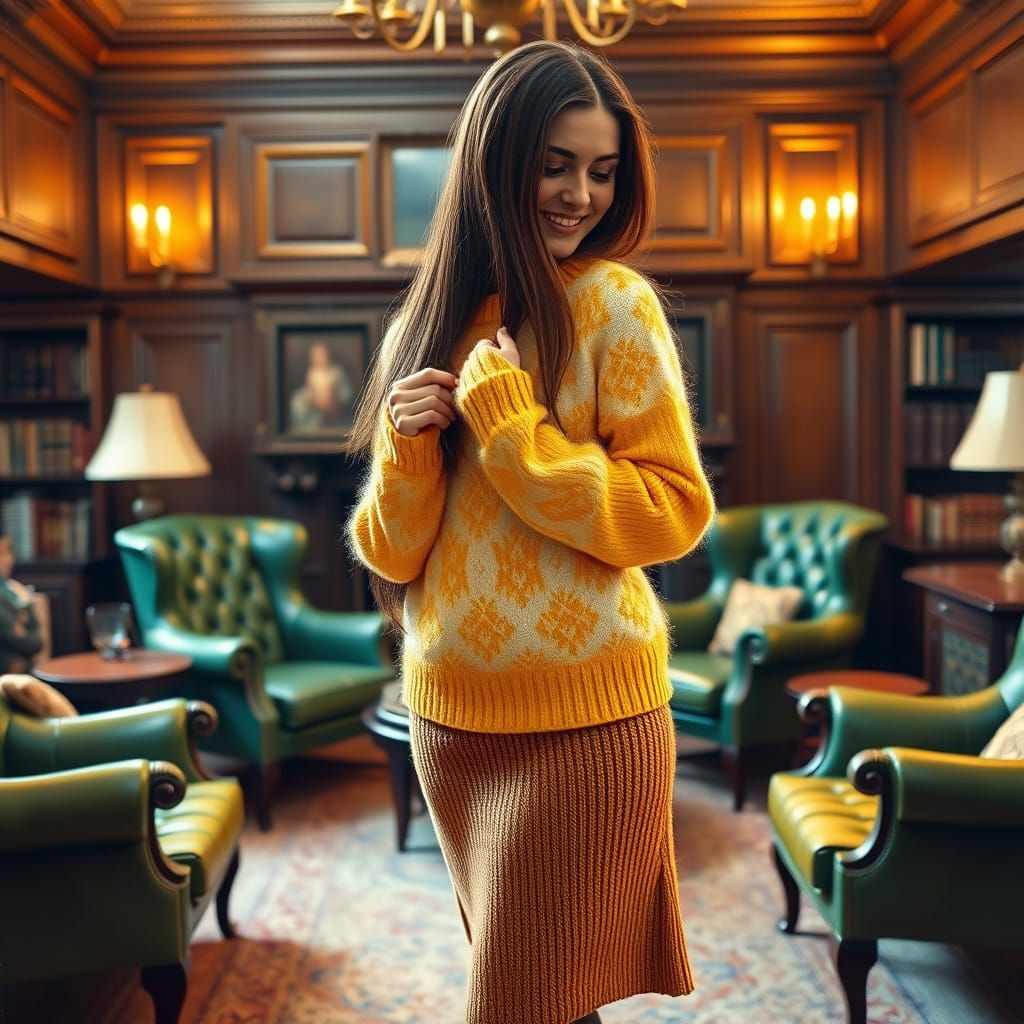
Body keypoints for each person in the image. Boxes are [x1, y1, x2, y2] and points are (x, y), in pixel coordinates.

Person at [347, 40, 714, 1024]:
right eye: (555, 163)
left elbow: (670, 508)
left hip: (587, 722)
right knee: (548, 997)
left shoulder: (613, 304)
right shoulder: (420, 328)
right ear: (495, 158)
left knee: (516, 1000)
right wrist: (406, 446)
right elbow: (390, 554)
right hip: (452, 724)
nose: (578, 194)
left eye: (599, 170)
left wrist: (512, 429)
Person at [0, 533, 43, 675]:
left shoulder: (14, 590)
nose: (10, 560)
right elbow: (24, 643)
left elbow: (37, 639)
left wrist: (22, 629)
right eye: (1, 553)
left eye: (9, 551)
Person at [289, 340, 354, 431]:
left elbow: (346, 394)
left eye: (322, 355)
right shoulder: (311, 371)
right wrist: (314, 399)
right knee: (297, 401)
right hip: (315, 404)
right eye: (316, 356)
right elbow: (309, 390)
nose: (320, 358)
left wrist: (332, 397)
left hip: (334, 404)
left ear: (328, 355)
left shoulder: (337, 371)